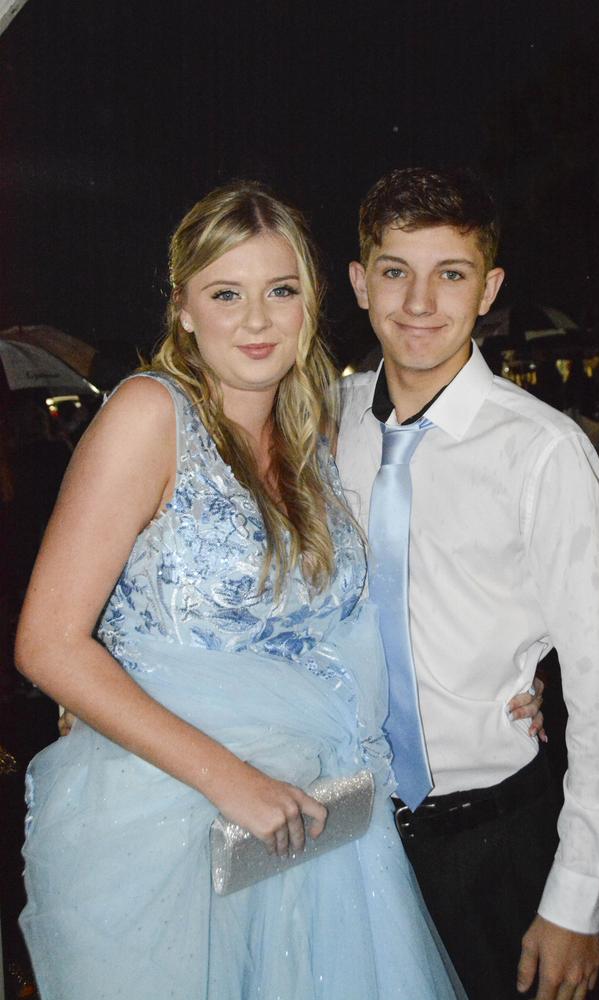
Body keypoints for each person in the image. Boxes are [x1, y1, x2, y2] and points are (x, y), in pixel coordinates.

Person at [16, 182, 468, 999]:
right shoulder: (150, 414)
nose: (257, 320)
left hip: (321, 822)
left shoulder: (316, 430)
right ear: (183, 307)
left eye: (281, 291)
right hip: (177, 823)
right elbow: (46, 642)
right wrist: (231, 779)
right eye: (227, 293)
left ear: (310, 303)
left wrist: (500, 683)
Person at [337, 167, 599, 1000]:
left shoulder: (539, 451)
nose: (419, 302)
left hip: (495, 837)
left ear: (490, 289)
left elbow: (598, 689)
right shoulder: (325, 426)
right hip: (354, 836)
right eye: (396, 271)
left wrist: (576, 899)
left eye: (452, 274)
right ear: (361, 282)